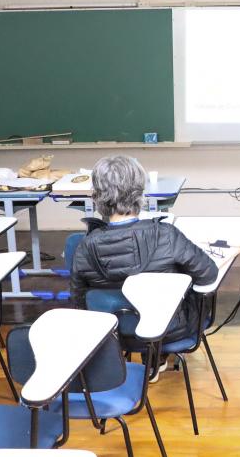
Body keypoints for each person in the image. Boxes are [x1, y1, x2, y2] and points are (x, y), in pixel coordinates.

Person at [71, 155, 218, 372]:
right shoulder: (166, 235)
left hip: (111, 334)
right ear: (140, 193)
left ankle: (144, 364)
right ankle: (155, 360)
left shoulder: (85, 246)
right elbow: (208, 274)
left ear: (96, 197)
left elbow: (78, 300)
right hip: (169, 329)